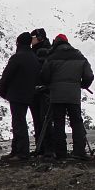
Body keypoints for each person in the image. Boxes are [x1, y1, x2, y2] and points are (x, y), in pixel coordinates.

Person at [40, 33, 94, 160]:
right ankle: (79, 151)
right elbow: (89, 76)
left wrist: (50, 85)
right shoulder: (79, 56)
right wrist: (81, 85)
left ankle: (61, 153)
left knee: (59, 123)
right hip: (73, 95)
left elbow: (44, 76)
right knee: (76, 122)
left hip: (57, 95)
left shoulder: (52, 57)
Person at [0, 31, 41, 161]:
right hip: (31, 94)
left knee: (18, 123)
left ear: (19, 43)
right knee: (21, 122)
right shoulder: (34, 57)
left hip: (17, 94)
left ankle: (21, 152)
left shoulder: (17, 57)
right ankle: (17, 151)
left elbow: (7, 76)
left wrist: (3, 91)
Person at [30, 28, 53, 156]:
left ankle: (45, 148)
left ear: (39, 38)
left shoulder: (41, 52)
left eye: (33, 37)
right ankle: (44, 148)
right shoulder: (46, 50)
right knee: (43, 120)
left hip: (41, 92)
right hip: (42, 91)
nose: (31, 40)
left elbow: (41, 72)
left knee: (42, 121)